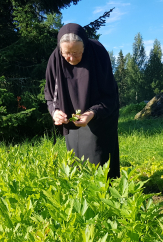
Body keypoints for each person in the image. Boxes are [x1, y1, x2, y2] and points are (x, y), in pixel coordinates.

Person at [44, 23, 120, 179]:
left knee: (99, 165)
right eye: (67, 53)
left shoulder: (98, 54)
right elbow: (50, 95)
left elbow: (110, 96)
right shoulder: (55, 59)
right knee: (76, 164)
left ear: (84, 47)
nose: (71, 58)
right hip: (72, 123)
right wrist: (55, 112)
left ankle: (105, 199)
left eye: (77, 53)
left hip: (100, 119)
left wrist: (92, 113)